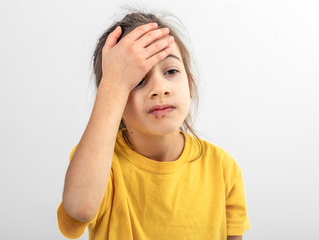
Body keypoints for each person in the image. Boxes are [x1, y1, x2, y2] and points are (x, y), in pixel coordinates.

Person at [57, 9, 251, 240]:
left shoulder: (223, 167)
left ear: (189, 84)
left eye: (171, 71)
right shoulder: (101, 165)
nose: (160, 88)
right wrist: (114, 83)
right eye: (137, 80)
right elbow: (79, 210)